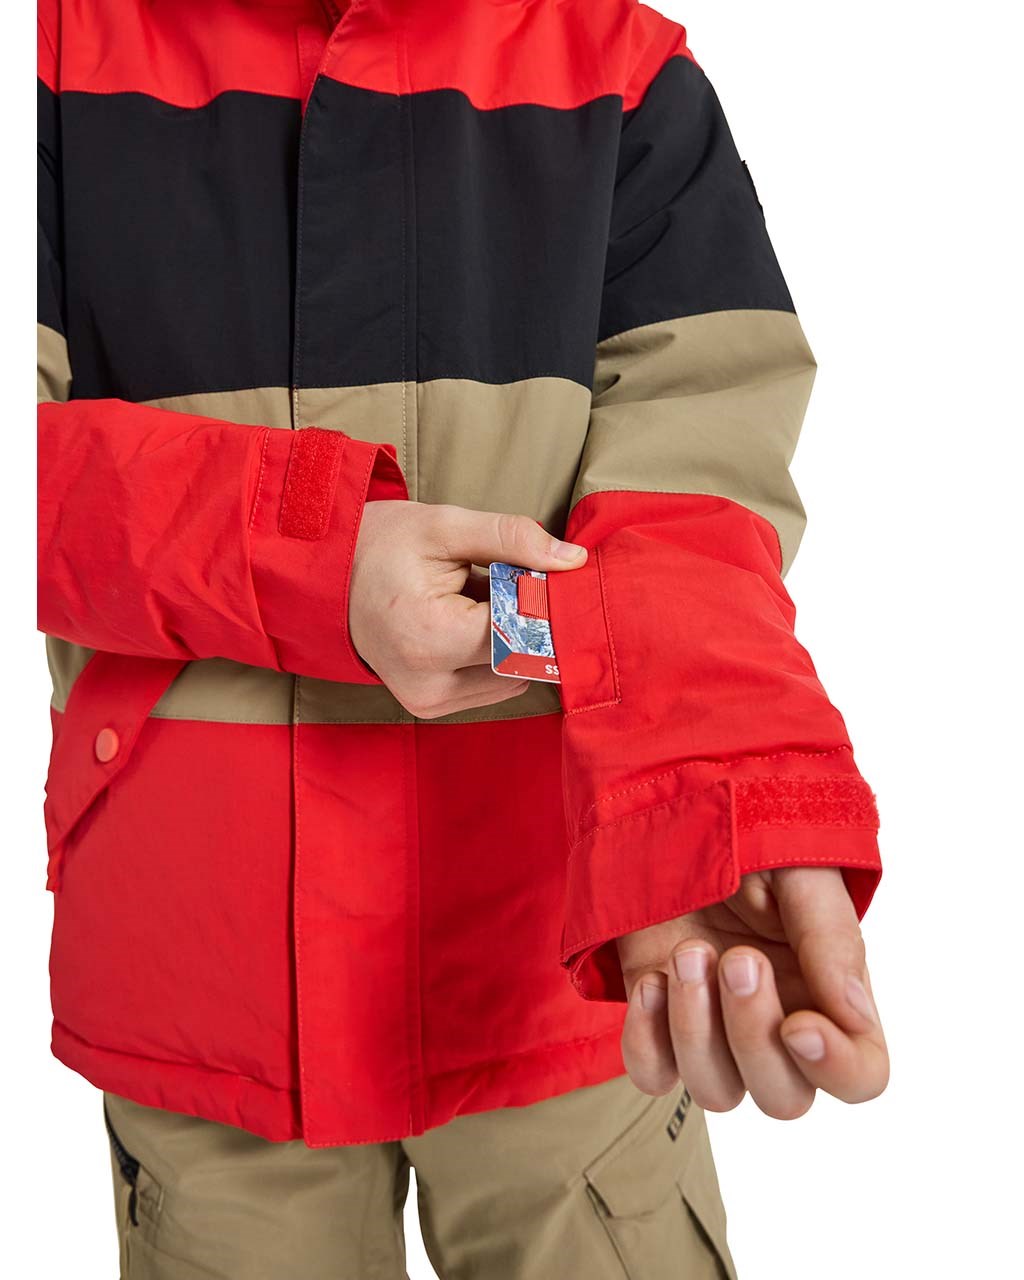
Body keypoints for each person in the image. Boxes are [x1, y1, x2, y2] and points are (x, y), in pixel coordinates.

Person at [36, 1, 888, 1275]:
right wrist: (305, 554)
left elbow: (693, 500)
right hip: (204, 987)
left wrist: (709, 807)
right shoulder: (53, 56)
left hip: (565, 964)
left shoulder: (617, 69)